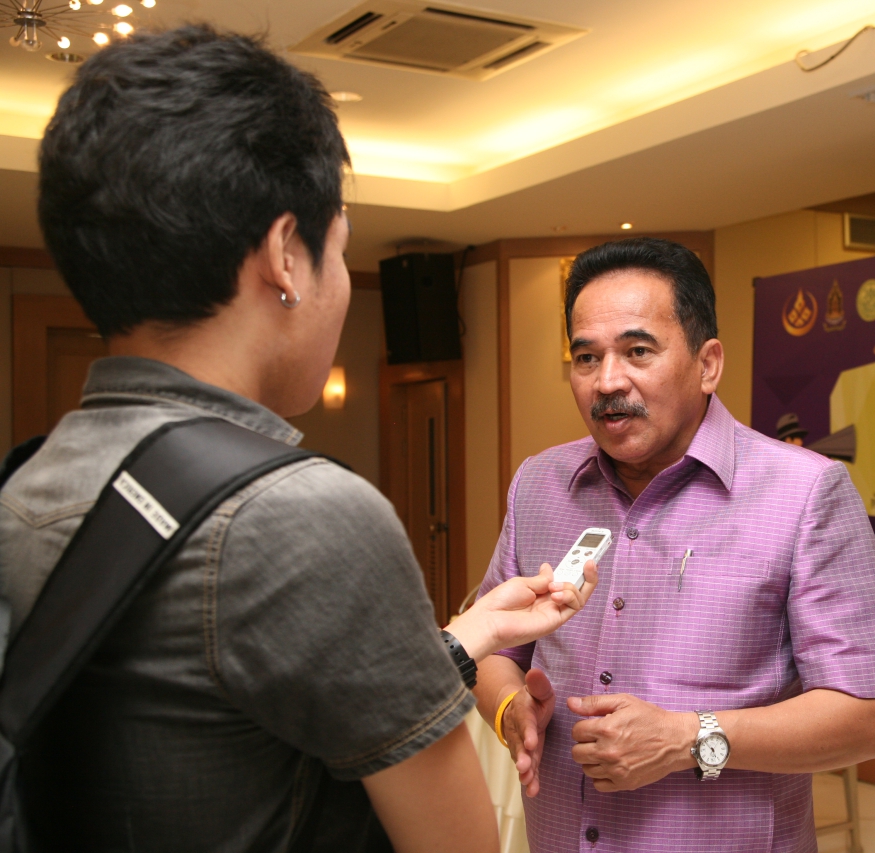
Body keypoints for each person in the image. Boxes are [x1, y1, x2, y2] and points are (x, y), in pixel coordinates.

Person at [0, 26, 596, 853]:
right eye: (340, 251)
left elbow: (222, 708)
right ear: (287, 254)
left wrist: (467, 636)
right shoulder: (309, 513)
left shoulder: (28, 480)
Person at [473, 237, 875, 852]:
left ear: (708, 364)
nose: (607, 381)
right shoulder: (539, 485)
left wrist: (686, 739)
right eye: (586, 357)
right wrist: (510, 708)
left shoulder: (803, 493)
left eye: (638, 351)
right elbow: (492, 649)